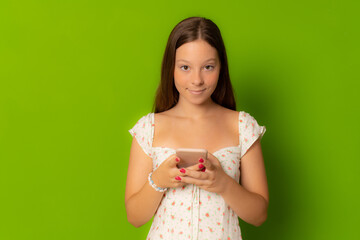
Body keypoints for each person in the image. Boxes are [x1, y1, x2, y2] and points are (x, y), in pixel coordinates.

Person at [125, 16, 269, 240]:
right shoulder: (149, 128)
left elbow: (259, 215)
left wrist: (223, 183)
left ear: (221, 67)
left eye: (208, 67)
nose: (197, 80)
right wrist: (158, 180)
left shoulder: (242, 126)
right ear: (170, 68)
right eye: (185, 67)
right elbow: (135, 217)